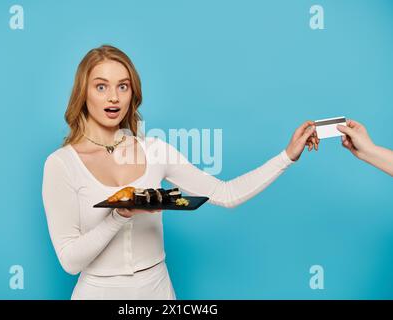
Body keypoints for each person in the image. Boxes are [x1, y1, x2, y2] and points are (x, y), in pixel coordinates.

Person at [41, 45, 320, 300]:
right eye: (101, 87)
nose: (113, 97)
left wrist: (287, 156)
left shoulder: (155, 151)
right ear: (83, 92)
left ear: (132, 93)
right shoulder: (62, 164)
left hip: (157, 290)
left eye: (122, 86)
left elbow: (226, 193)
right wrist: (118, 216)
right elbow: (69, 261)